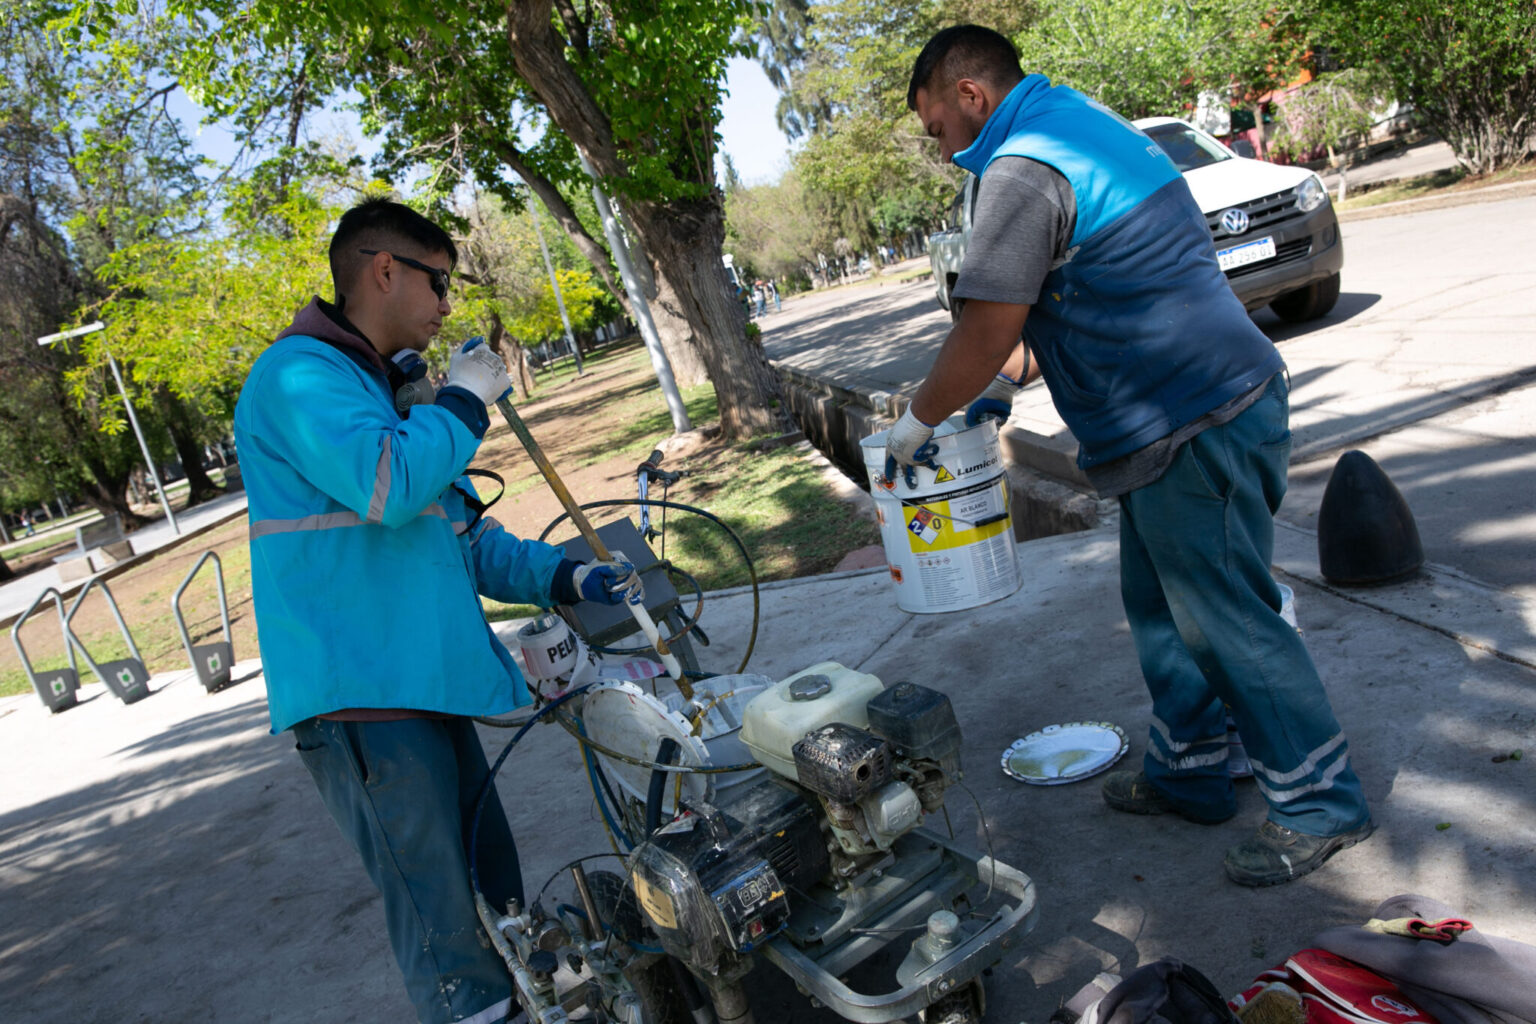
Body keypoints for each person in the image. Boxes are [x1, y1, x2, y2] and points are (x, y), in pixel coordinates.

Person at [887, 26, 1372, 886]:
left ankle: (1319, 804)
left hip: (1196, 420)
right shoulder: (1077, 123)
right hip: (1181, 419)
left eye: (936, 130)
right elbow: (1075, 301)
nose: (940, 151)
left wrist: (921, 417)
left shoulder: (1021, 168)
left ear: (970, 95)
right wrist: (997, 394)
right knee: (1159, 608)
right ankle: (1190, 772)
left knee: (1230, 621)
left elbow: (989, 322)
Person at [233, 197, 642, 1023]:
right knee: (446, 931)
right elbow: (390, 485)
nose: (446, 305)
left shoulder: (378, 390)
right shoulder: (299, 377)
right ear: (385, 269)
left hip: (426, 682)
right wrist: (461, 403)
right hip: (365, 698)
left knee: (496, 893)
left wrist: (571, 578)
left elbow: (461, 534)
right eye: (438, 282)